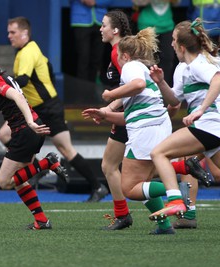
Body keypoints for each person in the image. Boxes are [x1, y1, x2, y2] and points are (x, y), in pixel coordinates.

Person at [83, 27, 185, 234]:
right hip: (154, 126)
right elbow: (129, 116)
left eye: (118, 58)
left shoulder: (131, 68)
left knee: (129, 187)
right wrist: (105, 115)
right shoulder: (143, 70)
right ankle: (164, 224)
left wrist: (110, 95)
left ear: (125, 55)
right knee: (143, 183)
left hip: (146, 130)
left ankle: (175, 187)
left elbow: (137, 84)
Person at [0, 16, 108, 202]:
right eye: (8, 32)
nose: (9, 36)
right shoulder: (27, 51)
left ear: (25, 33)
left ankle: (98, 186)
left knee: (66, 149)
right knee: (4, 135)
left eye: (13, 32)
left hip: (48, 108)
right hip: (37, 108)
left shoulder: (27, 52)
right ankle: (38, 168)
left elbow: (23, 81)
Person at [0, 46, 69, 229]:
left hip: (26, 132)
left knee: (4, 182)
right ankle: (42, 221)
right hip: (29, 130)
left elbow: (18, 97)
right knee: (20, 180)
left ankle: (47, 163)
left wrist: (28, 122)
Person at [149, 18, 220, 221]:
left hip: (210, 125)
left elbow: (217, 80)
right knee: (203, 169)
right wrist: (161, 82)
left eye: (172, 40)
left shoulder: (199, 63)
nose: (170, 43)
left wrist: (200, 110)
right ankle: (186, 213)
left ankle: (176, 202)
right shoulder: (183, 68)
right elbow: (174, 100)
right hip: (208, 126)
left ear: (181, 46)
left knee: (159, 153)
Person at [92, 10, 133, 229]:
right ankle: (183, 166)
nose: (100, 28)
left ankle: (123, 215)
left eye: (104, 25)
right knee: (134, 168)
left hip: (130, 115)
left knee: (110, 166)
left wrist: (108, 107)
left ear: (115, 30)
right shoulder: (119, 50)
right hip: (129, 115)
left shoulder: (119, 51)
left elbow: (132, 86)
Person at [132, 0, 179, 85]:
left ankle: (164, 89)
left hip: (167, 25)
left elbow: (177, 3)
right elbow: (137, 2)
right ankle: (147, 88)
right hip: (147, 26)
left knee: (168, 58)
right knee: (145, 60)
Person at [70, 0, 112, 82]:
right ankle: (82, 87)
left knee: (98, 57)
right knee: (83, 57)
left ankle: (94, 85)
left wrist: (95, 2)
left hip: (101, 21)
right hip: (80, 21)